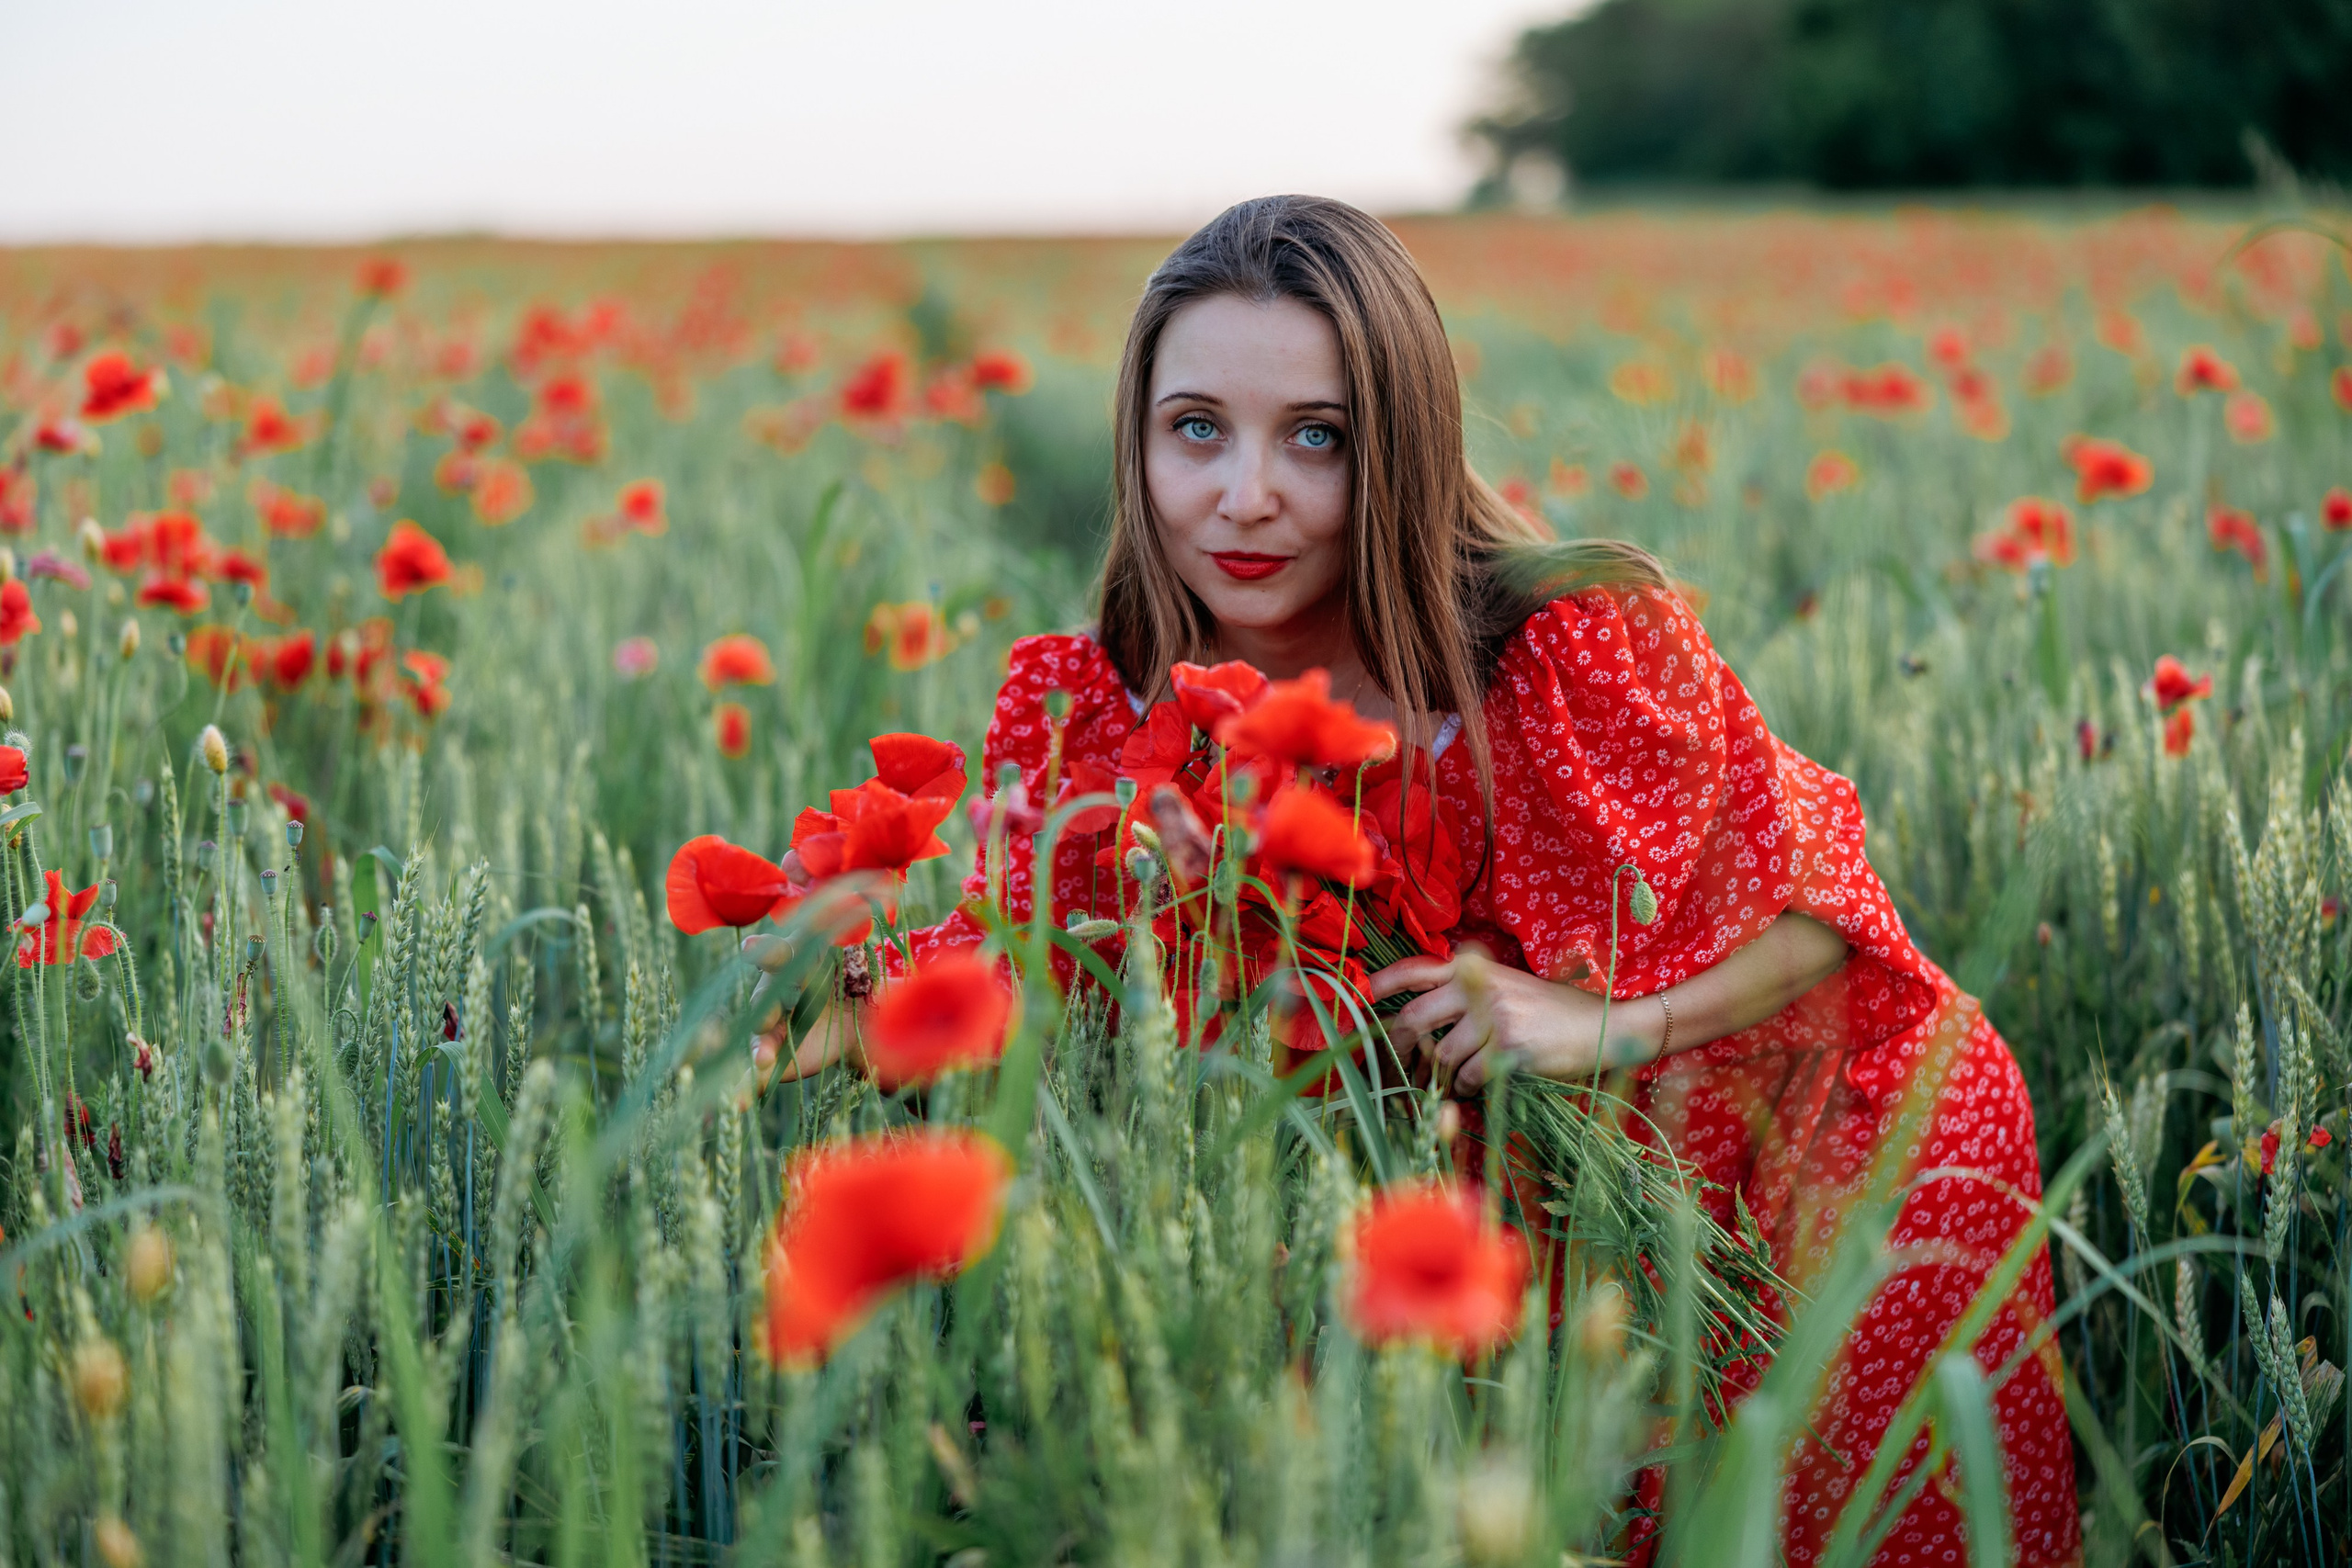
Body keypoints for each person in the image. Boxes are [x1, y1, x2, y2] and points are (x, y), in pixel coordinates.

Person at [769, 195, 2075, 1567]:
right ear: (1139, 438)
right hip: (1426, 1259)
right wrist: (853, 1006)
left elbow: (1822, 899)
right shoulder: (1098, 707)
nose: (1244, 493)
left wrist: (1595, 1025)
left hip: (1757, 1187)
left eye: (1315, 437)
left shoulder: (1564, 646)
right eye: (1195, 427)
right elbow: (1020, 965)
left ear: (1398, 446)